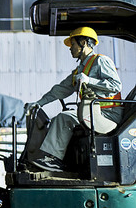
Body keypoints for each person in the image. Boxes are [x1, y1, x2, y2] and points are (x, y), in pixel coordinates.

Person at [25, 27, 123, 172]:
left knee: (63, 118)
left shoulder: (101, 61)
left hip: (107, 114)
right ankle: (56, 158)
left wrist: (89, 80)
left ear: (83, 42)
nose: (70, 48)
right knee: (64, 117)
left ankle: (55, 160)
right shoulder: (79, 70)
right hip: (93, 113)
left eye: (73, 44)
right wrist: (39, 103)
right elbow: (60, 90)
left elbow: (116, 85)